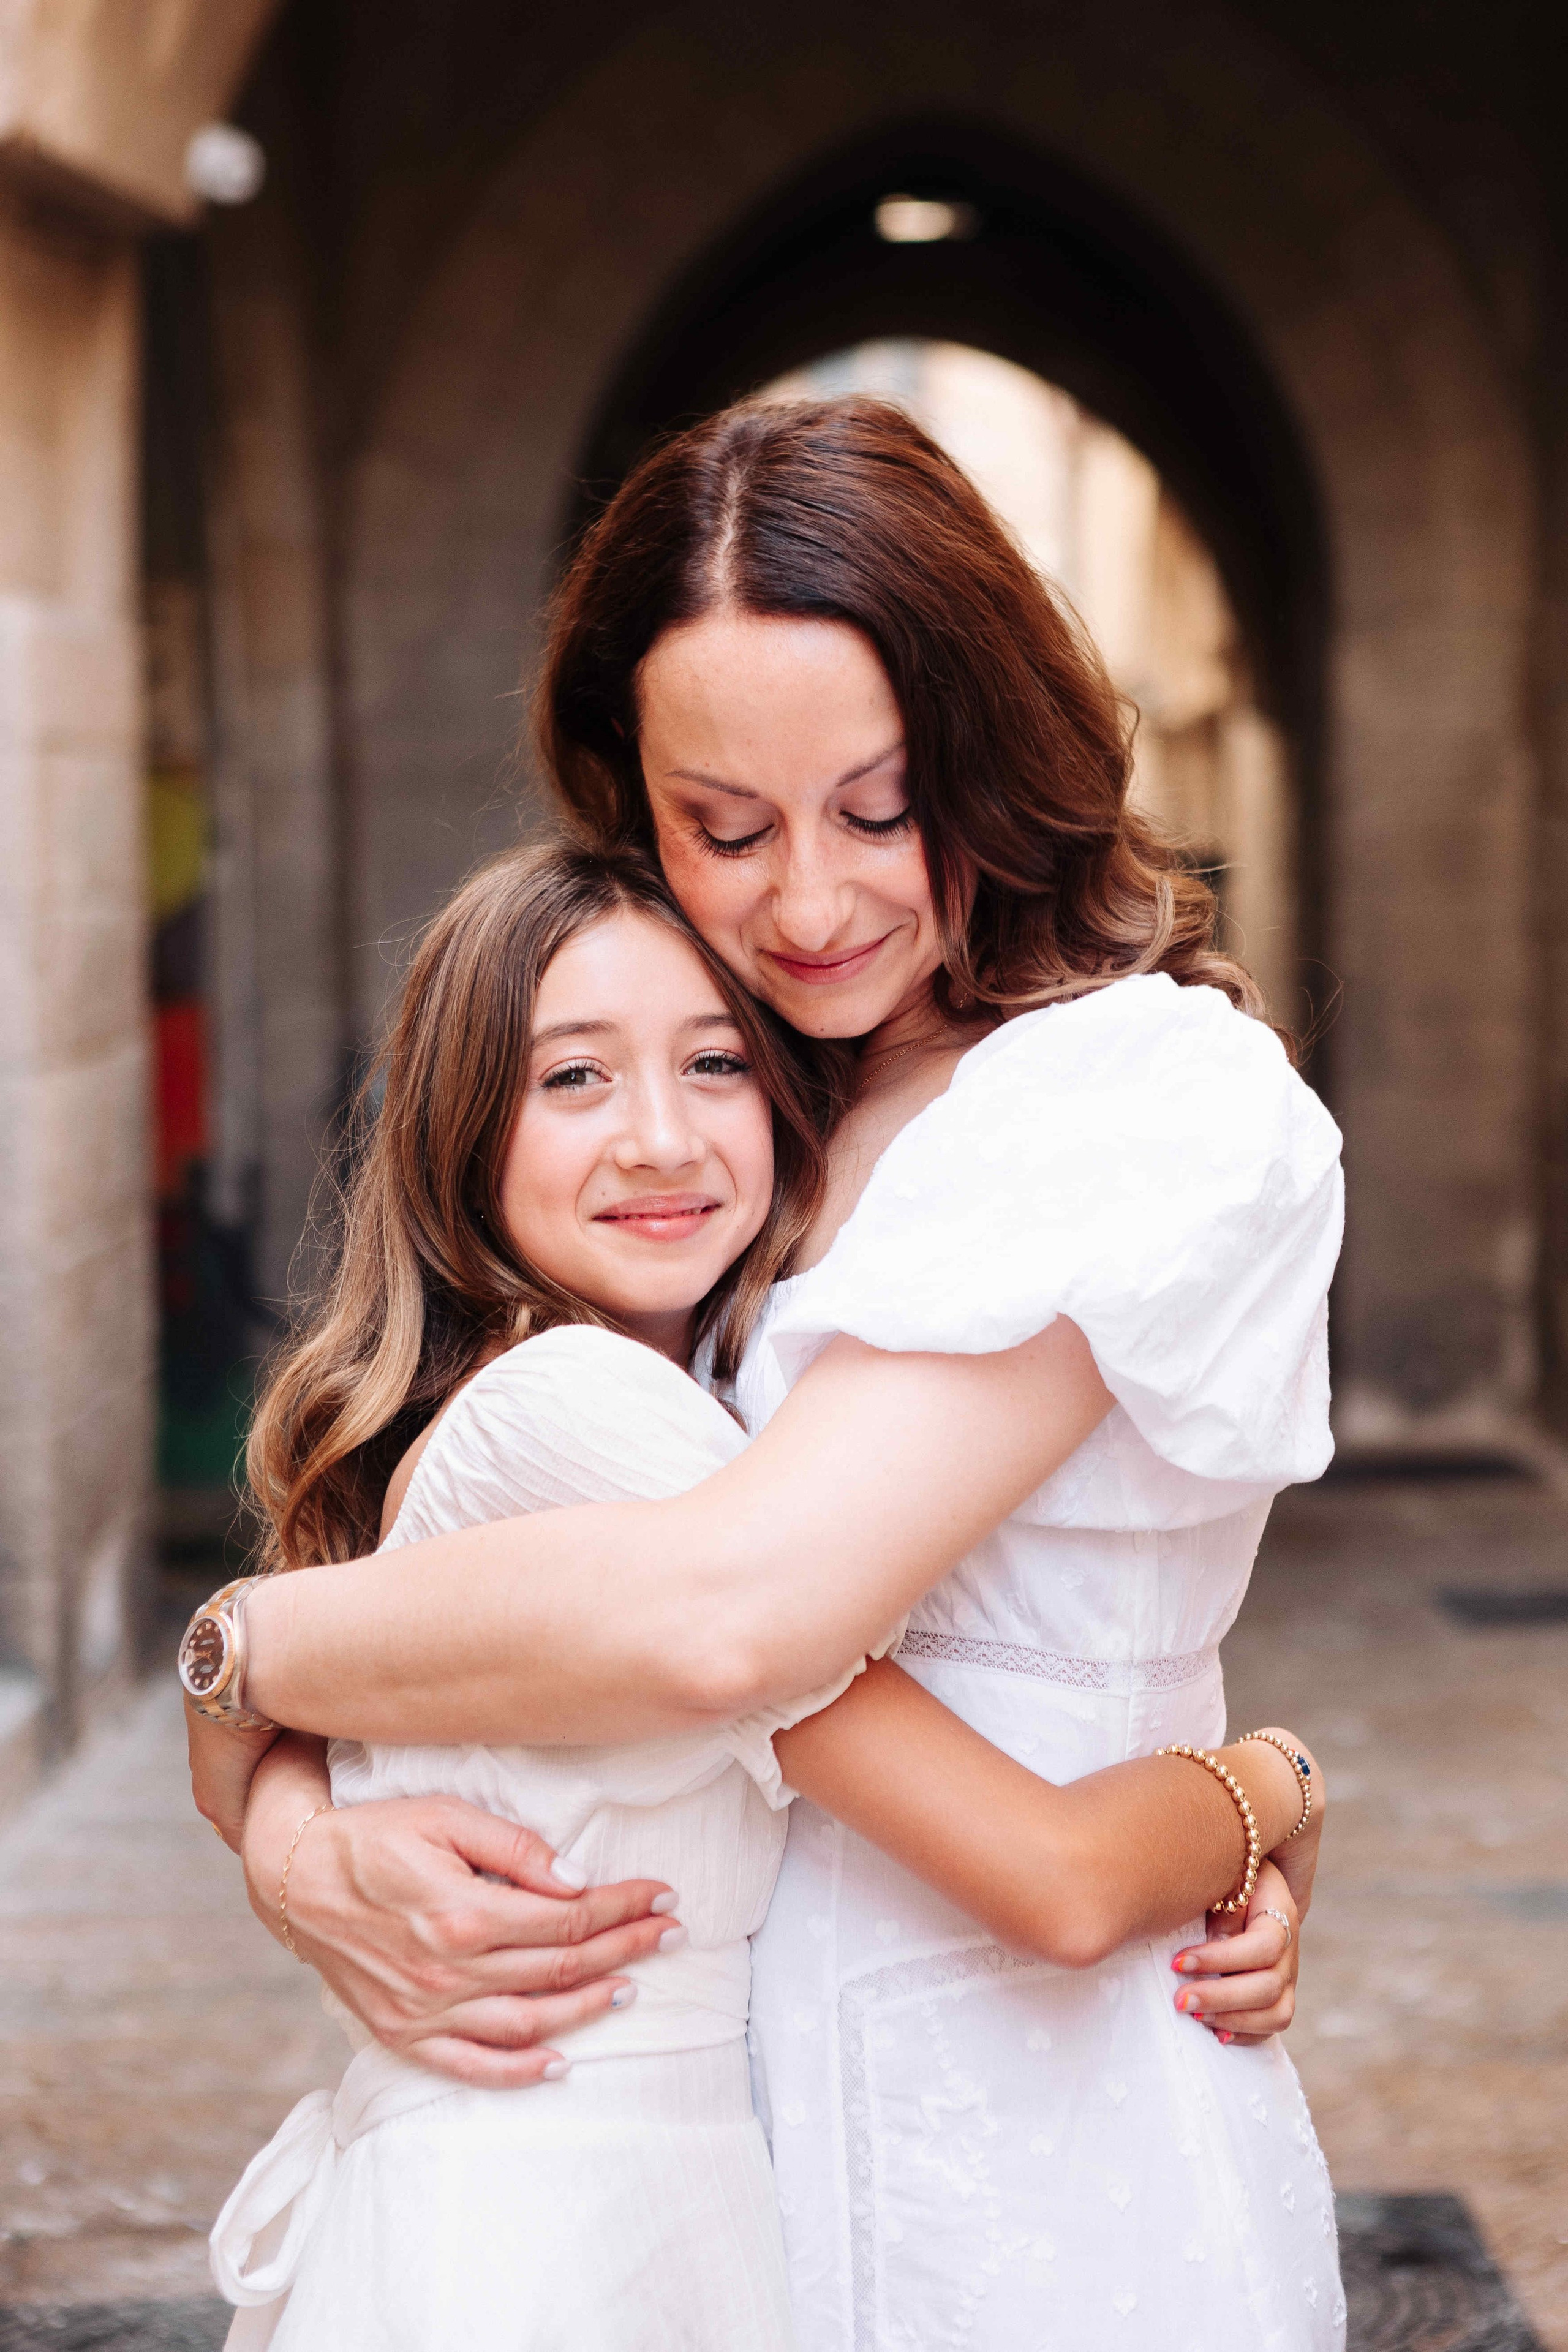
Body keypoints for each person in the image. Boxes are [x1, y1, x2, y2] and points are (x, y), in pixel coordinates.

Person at [189, 397, 1347, 2347]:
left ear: (999, 752)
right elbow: (536, 1574)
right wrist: (296, 1834)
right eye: (724, 831)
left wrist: (244, 1662)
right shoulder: (744, 1116)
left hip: (1034, 2154)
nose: (807, 906)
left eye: (881, 811)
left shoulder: (1142, 1094)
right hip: (710, 2155)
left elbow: (732, 1611)